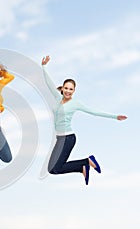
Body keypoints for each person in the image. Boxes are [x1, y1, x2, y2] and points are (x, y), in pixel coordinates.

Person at [41, 55, 127, 185]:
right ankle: (82, 166)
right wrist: (44, 66)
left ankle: (86, 162)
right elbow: (48, 83)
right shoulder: (58, 98)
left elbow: (94, 112)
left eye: (71, 89)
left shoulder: (76, 103)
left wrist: (115, 117)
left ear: (74, 91)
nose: (68, 91)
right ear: (62, 88)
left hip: (68, 139)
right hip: (60, 139)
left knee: (55, 168)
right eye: (66, 88)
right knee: (52, 169)